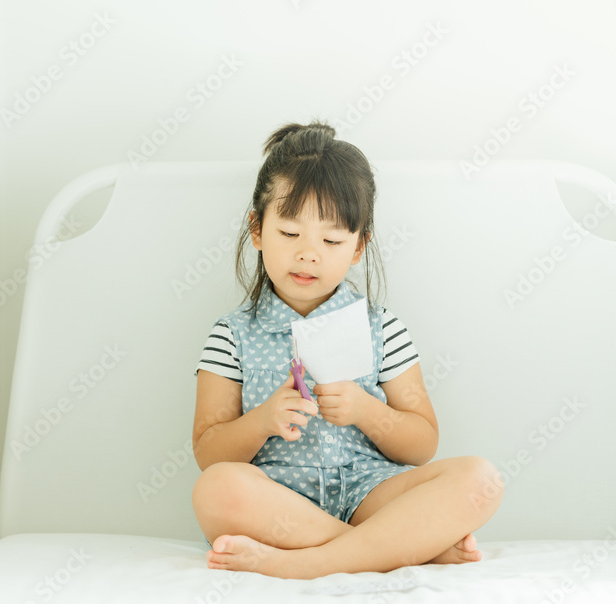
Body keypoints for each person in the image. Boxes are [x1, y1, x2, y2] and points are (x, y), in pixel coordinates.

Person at [190, 120, 502, 579]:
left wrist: (366, 411)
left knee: (481, 480)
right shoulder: (232, 334)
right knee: (215, 488)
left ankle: (303, 565)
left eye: (332, 240)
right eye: (290, 234)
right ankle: (401, 547)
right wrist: (261, 421)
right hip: (279, 504)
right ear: (257, 231)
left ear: (359, 247)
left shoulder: (383, 328)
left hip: (370, 494)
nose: (309, 254)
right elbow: (207, 451)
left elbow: (422, 445)